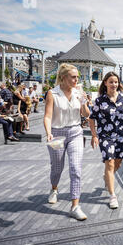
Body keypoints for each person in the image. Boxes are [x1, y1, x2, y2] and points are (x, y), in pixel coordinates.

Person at [43, 63, 91, 221]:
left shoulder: (79, 92)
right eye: (73, 77)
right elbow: (48, 116)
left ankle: (75, 206)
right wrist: (48, 133)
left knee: (76, 169)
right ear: (63, 77)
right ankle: (54, 188)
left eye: (77, 77)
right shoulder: (52, 93)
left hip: (76, 132)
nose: (76, 79)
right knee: (57, 167)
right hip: (56, 133)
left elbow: (86, 114)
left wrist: (84, 102)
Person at [88, 71, 123, 209]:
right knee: (110, 164)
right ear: (105, 83)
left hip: (121, 135)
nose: (114, 84)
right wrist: (94, 135)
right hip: (105, 136)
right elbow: (91, 119)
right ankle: (112, 196)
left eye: (116, 82)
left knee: (117, 163)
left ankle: (107, 177)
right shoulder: (99, 101)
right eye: (111, 82)